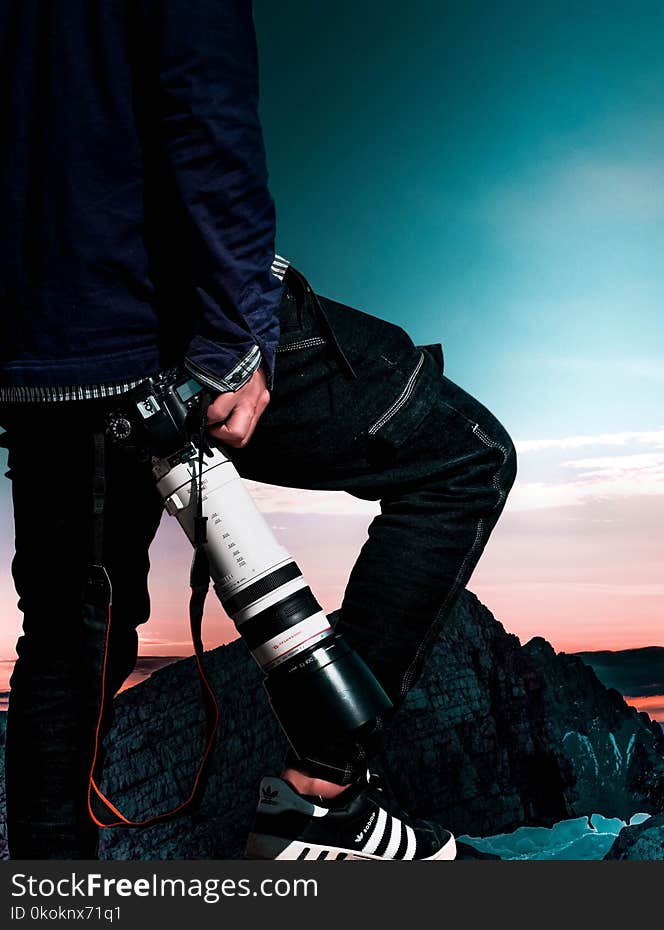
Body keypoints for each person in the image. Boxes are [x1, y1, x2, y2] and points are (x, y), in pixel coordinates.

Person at [0, 0, 517, 860]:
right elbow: (205, 102)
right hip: (156, 318)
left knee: (67, 643)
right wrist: (236, 333)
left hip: (35, 348)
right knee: (461, 456)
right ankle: (322, 801)